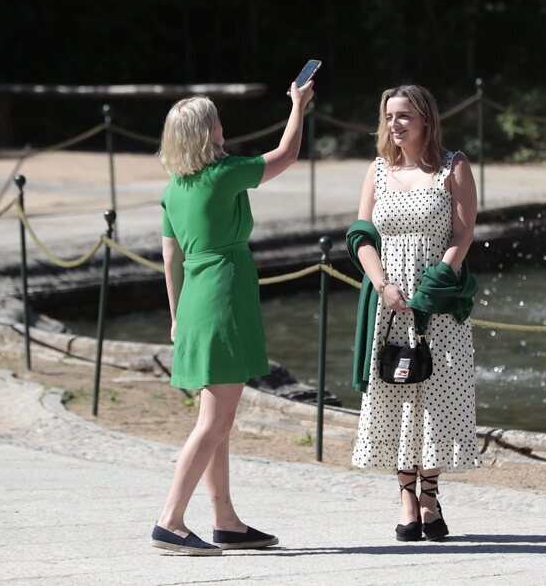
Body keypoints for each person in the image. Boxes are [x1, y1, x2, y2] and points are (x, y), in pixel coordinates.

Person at [151, 79, 314, 556]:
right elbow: (285, 155)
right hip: (223, 296)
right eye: (217, 119)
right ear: (207, 132)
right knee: (214, 423)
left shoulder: (173, 189)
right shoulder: (221, 175)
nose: (224, 124)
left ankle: (225, 520)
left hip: (196, 302)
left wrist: (177, 316)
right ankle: (170, 521)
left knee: (215, 419)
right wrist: (298, 106)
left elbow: (169, 258)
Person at [346, 84, 479, 543]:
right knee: (398, 393)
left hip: (436, 302)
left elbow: (463, 233)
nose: (394, 124)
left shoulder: (452, 166)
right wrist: (383, 285)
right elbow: (361, 235)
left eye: (404, 116)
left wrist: (435, 283)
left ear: (426, 119)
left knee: (438, 395)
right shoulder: (378, 171)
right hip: (390, 302)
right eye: (388, 116)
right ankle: (406, 496)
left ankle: (430, 495)